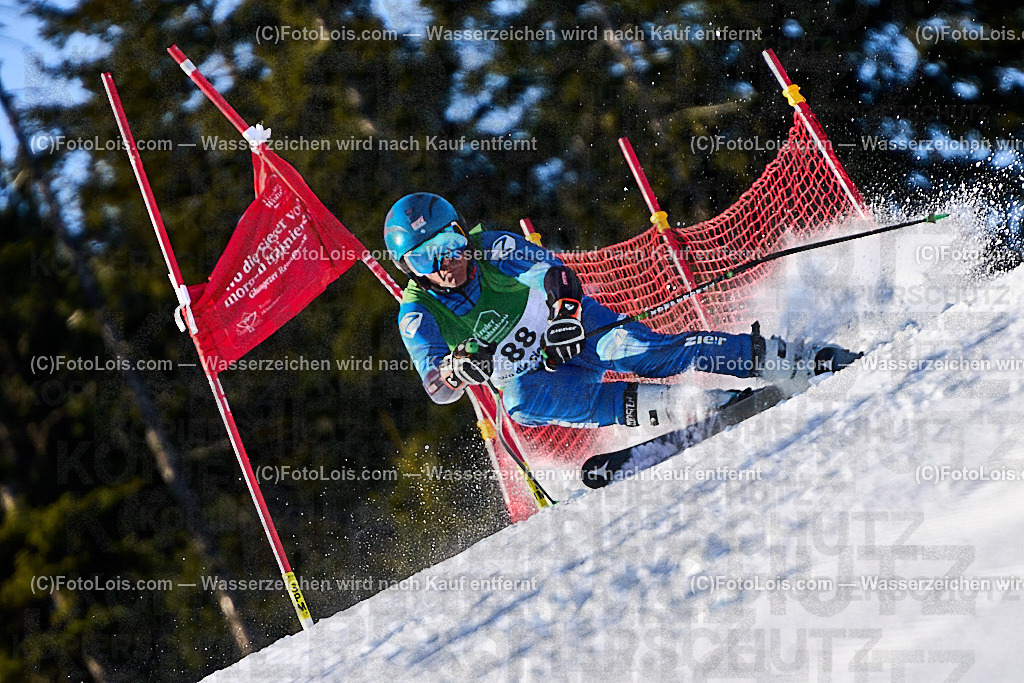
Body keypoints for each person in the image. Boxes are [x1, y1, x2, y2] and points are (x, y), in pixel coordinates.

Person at [385, 192, 858, 429]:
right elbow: (436, 387)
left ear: (464, 234)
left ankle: (795, 359)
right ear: (411, 269)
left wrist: (566, 314)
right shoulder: (417, 312)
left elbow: (555, 273)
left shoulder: (492, 249)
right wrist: (455, 368)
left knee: (654, 355)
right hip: (543, 373)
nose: (447, 263)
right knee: (520, 406)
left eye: (450, 244)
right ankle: (691, 409)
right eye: (426, 258)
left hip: (580, 332)